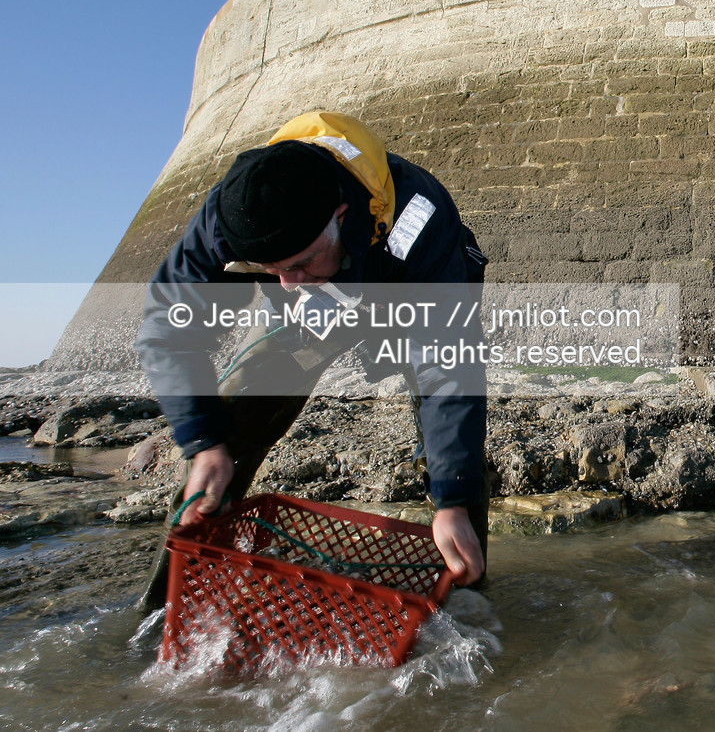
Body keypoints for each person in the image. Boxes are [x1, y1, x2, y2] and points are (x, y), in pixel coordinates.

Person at [137, 111, 488, 606]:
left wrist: (451, 498)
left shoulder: (419, 216)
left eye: (299, 263)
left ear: (339, 217)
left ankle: (473, 600)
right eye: (270, 268)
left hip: (405, 296)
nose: (285, 280)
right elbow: (166, 326)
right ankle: (168, 607)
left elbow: (447, 366)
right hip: (311, 314)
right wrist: (201, 438)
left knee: (452, 460)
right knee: (225, 428)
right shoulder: (233, 212)